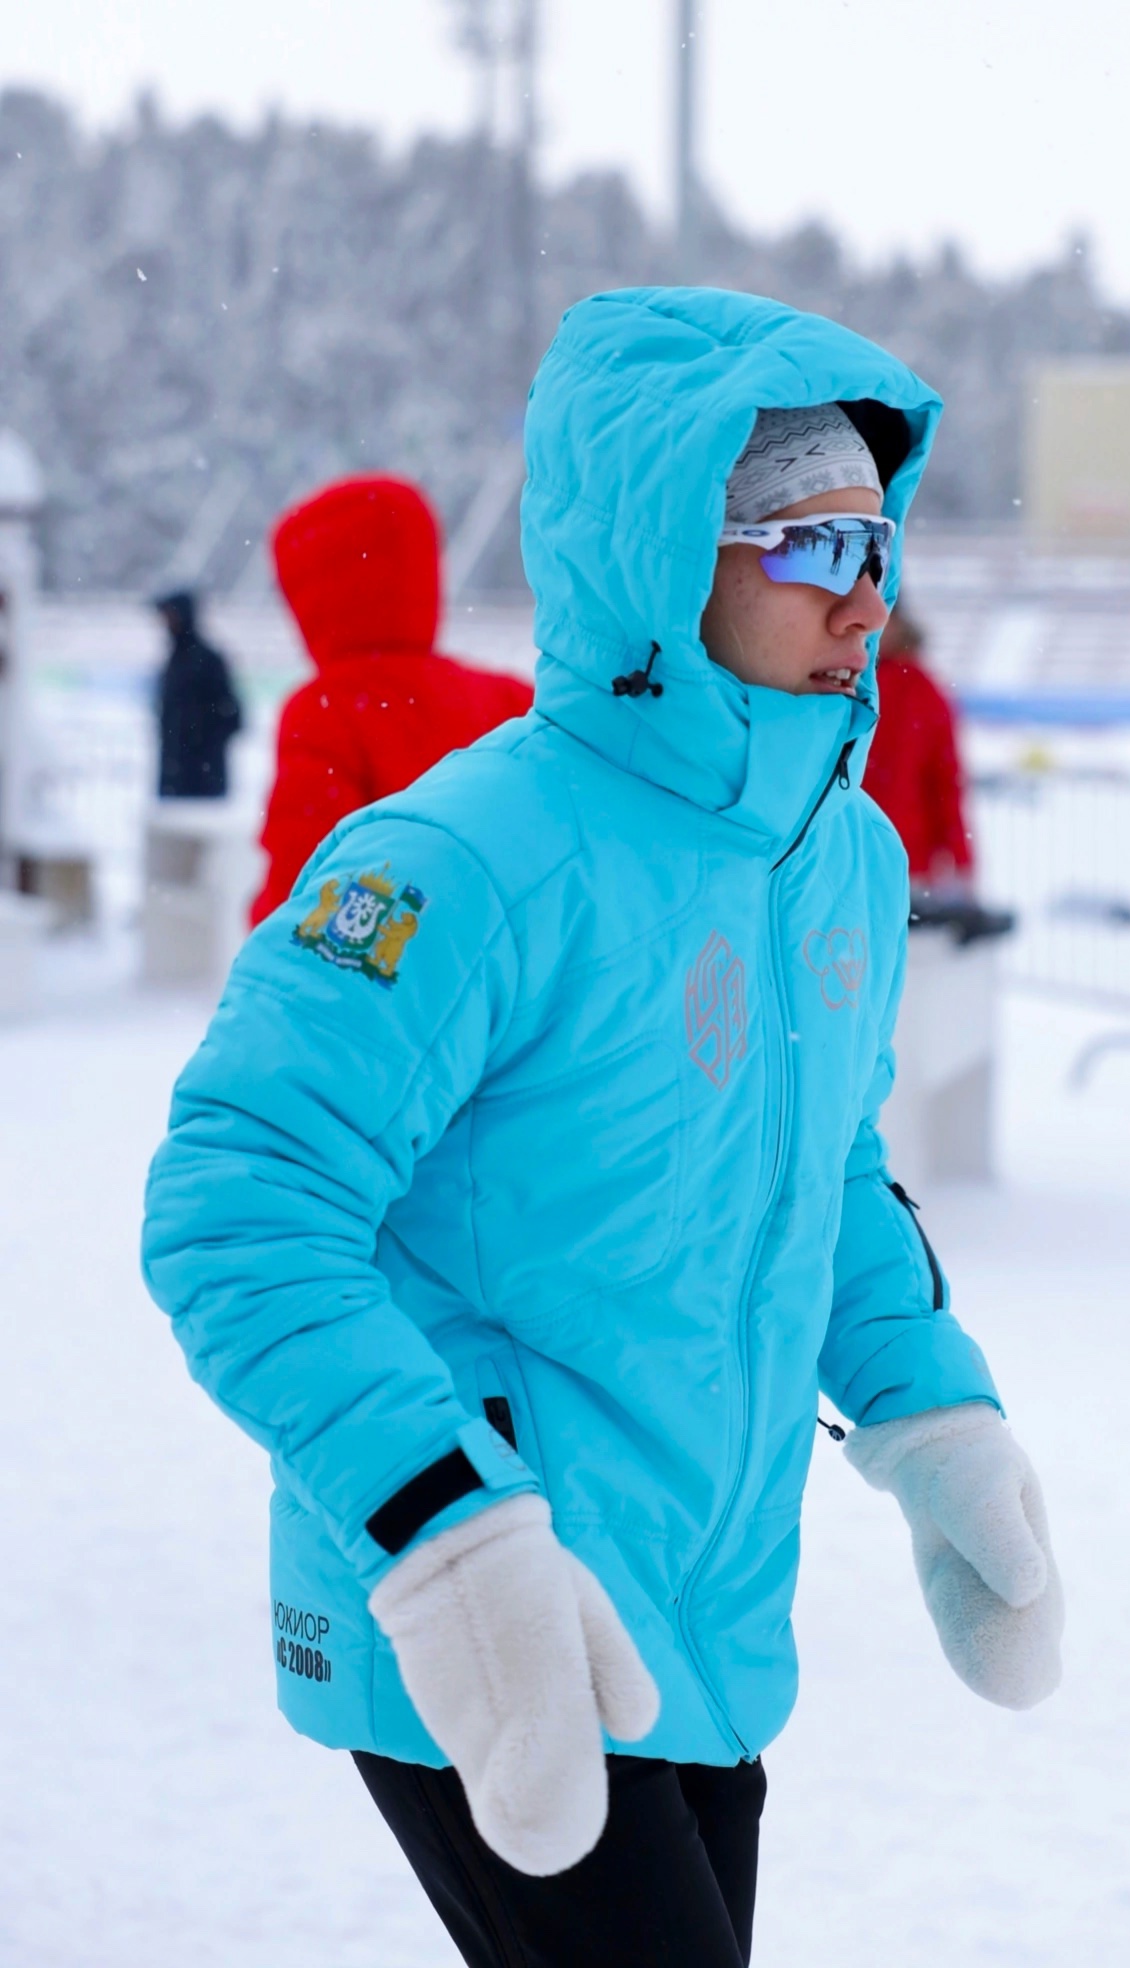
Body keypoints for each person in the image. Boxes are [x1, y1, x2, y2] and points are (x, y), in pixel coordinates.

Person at [143, 288, 1063, 1968]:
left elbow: (824, 1174)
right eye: (805, 544)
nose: (864, 596)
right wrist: (447, 1530)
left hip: (703, 1611)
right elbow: (238, 1199)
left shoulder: (833, 856)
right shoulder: (468, 854)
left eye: (880, 546)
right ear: (660, 550)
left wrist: (935, 1411)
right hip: (485, 1620)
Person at [249, 474, 532, 925]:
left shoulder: (324, 711)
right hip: (511, 953)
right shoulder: (507, 696)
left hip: (388, 966)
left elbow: (303, 870)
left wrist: (266, 959)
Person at [862, 601, 974, 897]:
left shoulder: (923, 692)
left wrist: (961, 860)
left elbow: (946, 783)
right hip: (845, 853)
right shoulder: (844, 681)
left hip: (906, 860)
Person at [152, 588, 242, 799]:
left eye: (170, 615)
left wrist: (201, 747)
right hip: (174, 780)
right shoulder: (173, 659)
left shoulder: (208, 659)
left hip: (203, 783)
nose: (165, 622)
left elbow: (233, 716)